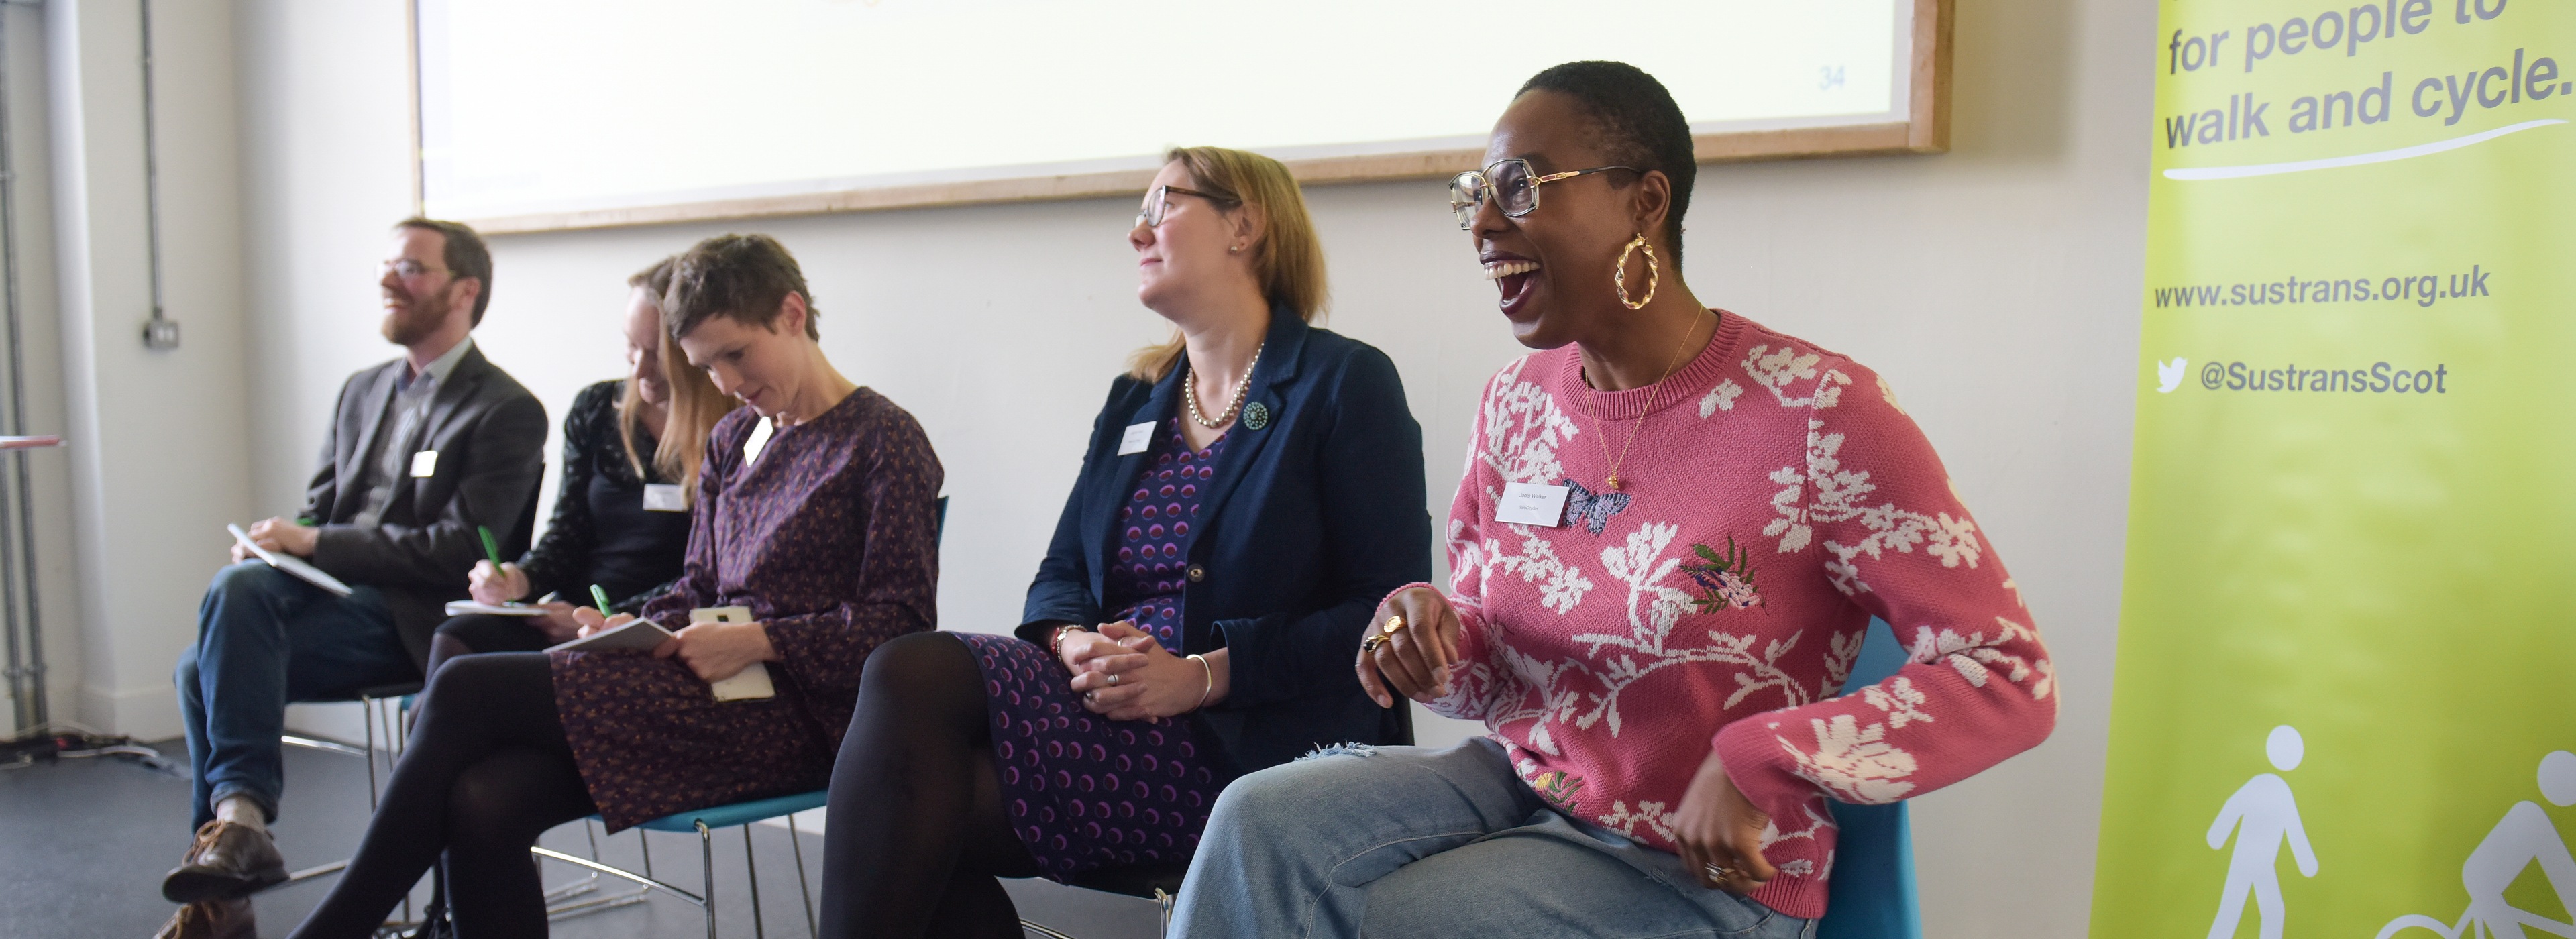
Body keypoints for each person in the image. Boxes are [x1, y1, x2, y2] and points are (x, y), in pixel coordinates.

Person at [1170, 62, 2057, 939]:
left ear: (1646, 202)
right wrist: (1431, 634)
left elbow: (2005, 675)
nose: (1481, 221)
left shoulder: (1820, 413)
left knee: (1389, 917)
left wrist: (1766, 758)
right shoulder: (1516, 402)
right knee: (1255, 825)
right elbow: (1490, 662)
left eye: (1518, 187)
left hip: (1701, 874)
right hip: (1523, 782)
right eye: (1473, 192)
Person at [814, 146, 1431, 938]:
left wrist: (1199, 677)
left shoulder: (1343, 381)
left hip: (1248, 746)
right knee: (908, 710)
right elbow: (1061, 572)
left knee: (914, 805)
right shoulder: (1136, 399)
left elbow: (1383, 615)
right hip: (1106, 710)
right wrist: (1071, 642)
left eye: (1163, 204)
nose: (1137, 231)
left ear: (1245, 224)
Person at [281, 233, 944, 938]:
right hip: (702, 691)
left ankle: (328, 933)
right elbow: (699, 581)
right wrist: (628, 624)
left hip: (795, 714)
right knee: (486, 798)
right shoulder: (734, 438)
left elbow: (901, 625)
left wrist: (763, 639)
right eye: (704, 364)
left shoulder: (884, 440)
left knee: (463, 686)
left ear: (791, 313)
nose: (723, 381)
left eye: (735, 354)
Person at [157, 219, 545, 939]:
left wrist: (314, 540)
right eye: (387, 264)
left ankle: (230, 867)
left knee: (199, 664)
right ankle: (234, 848)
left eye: (411, 267)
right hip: (328, 604)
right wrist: (280, 550)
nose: (388, 280)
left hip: (414, 623)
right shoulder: (362, 390)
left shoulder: (505, 408)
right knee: (218, 627)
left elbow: (458, 547)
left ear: (466, 290)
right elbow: (318, 513)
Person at [427, 256, 737, 673]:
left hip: (660, 628)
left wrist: (595, 622)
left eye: (659, 354)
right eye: (631, 346)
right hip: (572, 616)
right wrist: (520, 578)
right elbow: (567, 533)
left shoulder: (738, 430)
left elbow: (715, 577)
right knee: (458, 637)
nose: (640, 369)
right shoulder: (597, 409)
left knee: (474, 688)